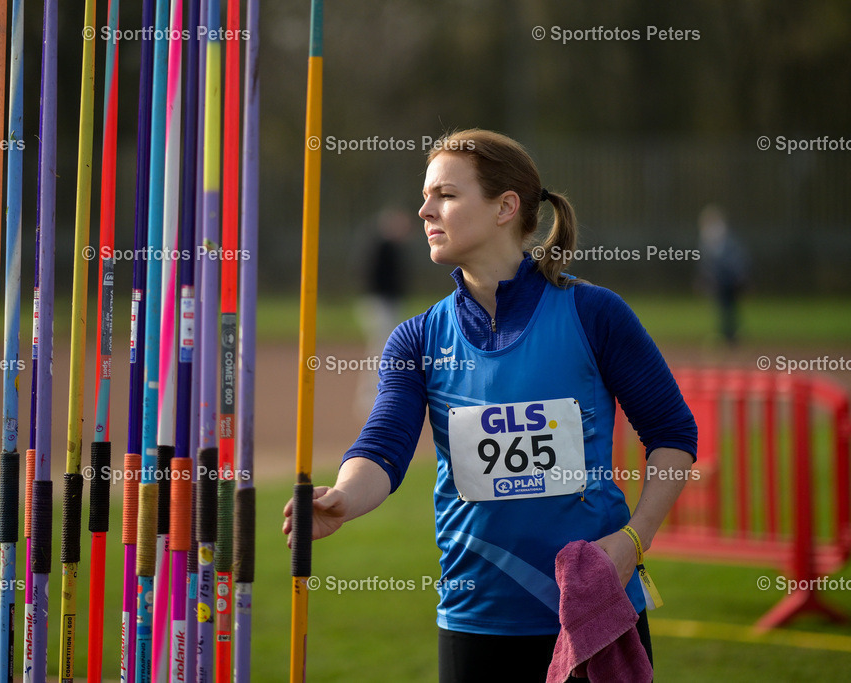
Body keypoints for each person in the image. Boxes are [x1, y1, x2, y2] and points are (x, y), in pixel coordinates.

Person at [283, 129, 698, 681]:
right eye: (427, 195)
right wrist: (343, 498)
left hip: (594, 606)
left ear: (506, 207)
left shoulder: (595, 313)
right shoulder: (417, 338)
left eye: (446, 196)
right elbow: (384, 445)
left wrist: (633, 541)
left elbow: (672, 432)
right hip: (475, 618)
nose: (425, 209)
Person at [355, 206, 414, 415]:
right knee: (381, 349)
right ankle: (372, 399)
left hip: (384, 303)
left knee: (381, 348)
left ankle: (373, 397)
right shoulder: (383, 247)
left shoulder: (391, 248)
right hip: (379, 304)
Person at [697, 205, 748, 346]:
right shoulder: (709, 240)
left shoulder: (725, 240)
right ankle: (727, 335)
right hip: (720, 281)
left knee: (729, 308)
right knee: (723, 308)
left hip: (728, 280)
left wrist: (739, 276)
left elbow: (734, 260)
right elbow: (708, 264)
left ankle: (731, 336)